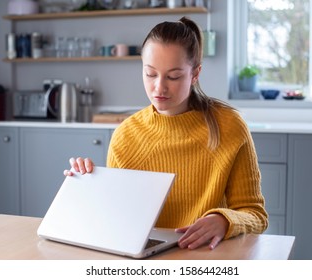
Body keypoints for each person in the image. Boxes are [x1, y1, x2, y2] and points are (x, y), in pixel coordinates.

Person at [64, 17, 268, 250]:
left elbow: (255, 214)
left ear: (195, 74)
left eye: (173, 76)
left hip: (208, 259)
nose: (159, 87)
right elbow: (118, 220)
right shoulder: (126, 135)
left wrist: (224, 221)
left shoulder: (230, 126)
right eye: (150, 74)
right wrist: (86, 186)